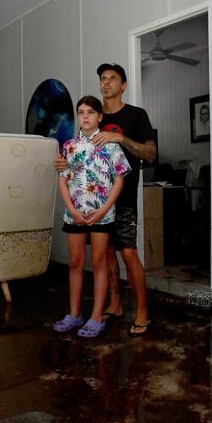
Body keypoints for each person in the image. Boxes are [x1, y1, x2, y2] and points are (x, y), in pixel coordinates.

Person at [54, 63, 156, 337]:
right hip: (90, 202)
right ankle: (114, 304)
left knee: (128, 252)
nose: (106, 82)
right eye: (102, 78)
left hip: (122, 197)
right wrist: (64, 166)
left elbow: (150, 154)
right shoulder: (82, 132)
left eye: (113, 78)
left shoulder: (136, 115)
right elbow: (72, 166)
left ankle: (142, 311)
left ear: (123, 85)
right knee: (105, 255)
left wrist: (119, 137)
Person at [52, 95, 131, 338]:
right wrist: (72, 210)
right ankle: (74, 314)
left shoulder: (110, 146)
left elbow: (119, 179)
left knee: (98, 264)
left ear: (100, 116)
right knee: (75, 263)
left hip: (102, 216)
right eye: (81, 112)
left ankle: (97, 317)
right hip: (74, 215)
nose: (85, 117)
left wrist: (104, 209)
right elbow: (63, 181)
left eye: (90, 112)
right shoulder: (69, 147)